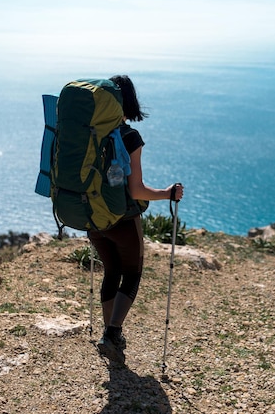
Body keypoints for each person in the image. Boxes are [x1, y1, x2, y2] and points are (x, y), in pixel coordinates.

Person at [89, 75, 184, 363]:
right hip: (123, 219)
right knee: (132, 274)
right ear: (128, 102)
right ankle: (112, 333)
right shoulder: (129, 137)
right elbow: (137, 190)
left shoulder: (90, 135)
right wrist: (168, 193)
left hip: (93, 218)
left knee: (111, 272)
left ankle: (110, 334)